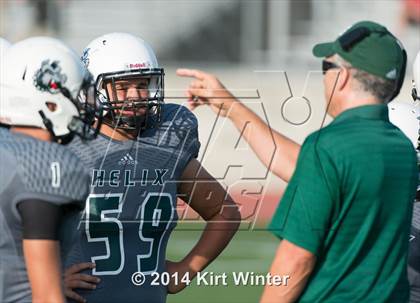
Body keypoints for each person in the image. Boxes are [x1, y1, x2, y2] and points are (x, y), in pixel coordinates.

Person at [178, 21, 418, 302]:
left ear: (342, 77)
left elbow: (295, 260)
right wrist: (232, 107)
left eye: (327, 69)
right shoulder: (402, 146)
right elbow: (308, 168)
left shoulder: (330, 146)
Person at [62, 32, 240, 303]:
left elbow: (224, 212)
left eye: (143, 85)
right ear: (93, 91)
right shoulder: (67, 143)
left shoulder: (166, 142)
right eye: (122, 87)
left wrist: (184, 271)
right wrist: (40, 278)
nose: (136, 96)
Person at [0, 37, 100, 303]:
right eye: (77, 94)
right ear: (50, 102)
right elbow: (47, 297)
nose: (85, 106)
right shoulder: (47, 163)